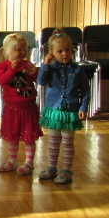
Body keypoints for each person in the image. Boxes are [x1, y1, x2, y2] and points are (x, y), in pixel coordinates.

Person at [37, 29, 90, 185]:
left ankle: (66, 171)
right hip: (54, 111)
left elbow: (85, 91)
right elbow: (41, 81)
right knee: (53, 142)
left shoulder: (77, 70)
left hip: (69, 111)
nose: (65, 54)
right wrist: (46, 64)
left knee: (67, 143)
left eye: (68, 50)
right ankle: (52, 168)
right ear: (52, 53)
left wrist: (83, 107)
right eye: (60, 51)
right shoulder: (51, 68)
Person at [0, 33, 43, 175]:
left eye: (24, 50)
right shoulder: (2, 66)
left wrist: (34, 72)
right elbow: (2, 80)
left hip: (28, 108)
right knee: (13, 136)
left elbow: (38, 80)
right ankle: (12, 160)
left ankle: (29, 162)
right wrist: (12, 70)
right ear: (7, 51)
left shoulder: (27, 65)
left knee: (29, 137)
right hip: (12, 109)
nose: (22, 53)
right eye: (18, 50)